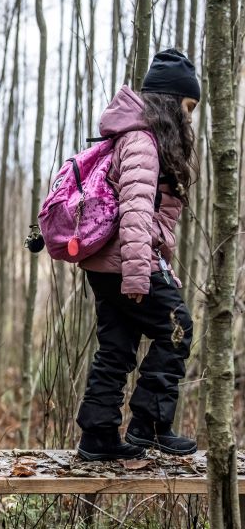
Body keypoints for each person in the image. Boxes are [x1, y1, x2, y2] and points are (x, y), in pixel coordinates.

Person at [76, 49, 200, 461]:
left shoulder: (137, 138)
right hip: (125, 262)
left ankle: (98, 435)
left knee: (117, 346)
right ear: (169, 102)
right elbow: (133, 210)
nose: (190, 115)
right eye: (188, 106)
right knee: (177, 326)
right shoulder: (143, 142)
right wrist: (138, 275)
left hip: (107, 264)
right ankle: (150, 425)